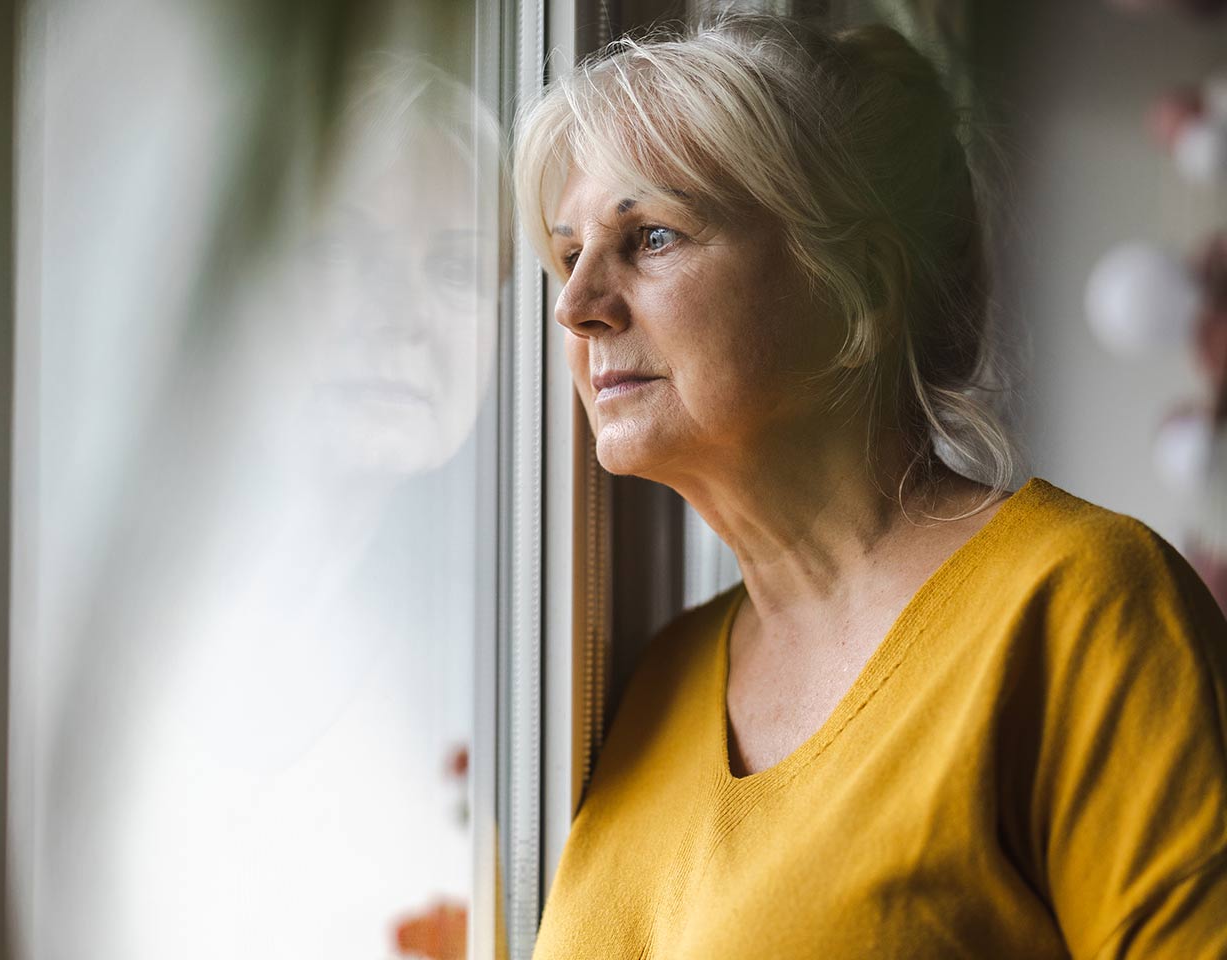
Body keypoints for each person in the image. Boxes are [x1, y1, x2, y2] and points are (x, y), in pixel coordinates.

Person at [513, 13, 1227, 958]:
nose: (575, 305)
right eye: (568, 254)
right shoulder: (658, 678)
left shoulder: (1082, 603)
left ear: (860, 282)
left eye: (649, 237)